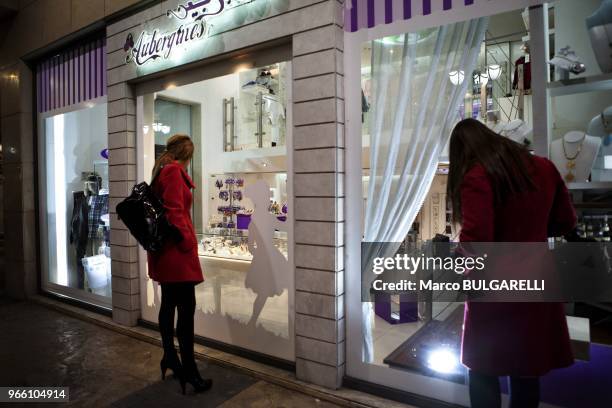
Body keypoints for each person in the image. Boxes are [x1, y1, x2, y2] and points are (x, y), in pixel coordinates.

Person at [447, 119, 576, 408]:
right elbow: (565, 221)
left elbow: (478, 240)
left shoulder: (477, 175)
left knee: (482, 368)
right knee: (526, 369)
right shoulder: (545, 167)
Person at [147, 134, 212, 394]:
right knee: (186, 311)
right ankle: (190, 371)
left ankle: (170, 357)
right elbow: (175, 212)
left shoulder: (162, 169)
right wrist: (188, 244)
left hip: (167, 254)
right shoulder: (174, 171)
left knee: (169, 305)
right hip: (177, 254)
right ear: (188, 155)